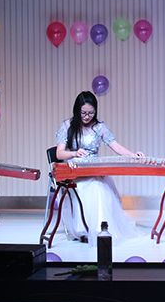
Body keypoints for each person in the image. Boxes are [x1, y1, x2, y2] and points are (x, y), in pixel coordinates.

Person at [55, 91, 143, 241]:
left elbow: (115, 146)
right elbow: (59, 154)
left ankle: (101, 230)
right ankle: (84, 229)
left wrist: (133, 155)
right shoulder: (68, 126)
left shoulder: (99, 127)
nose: (87, 117)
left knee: (99, 186)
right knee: (91, 188)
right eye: (83, 113)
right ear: (77, 110)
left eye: (91, 113)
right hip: (76, 173)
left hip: (95, 170)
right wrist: (75, 153)